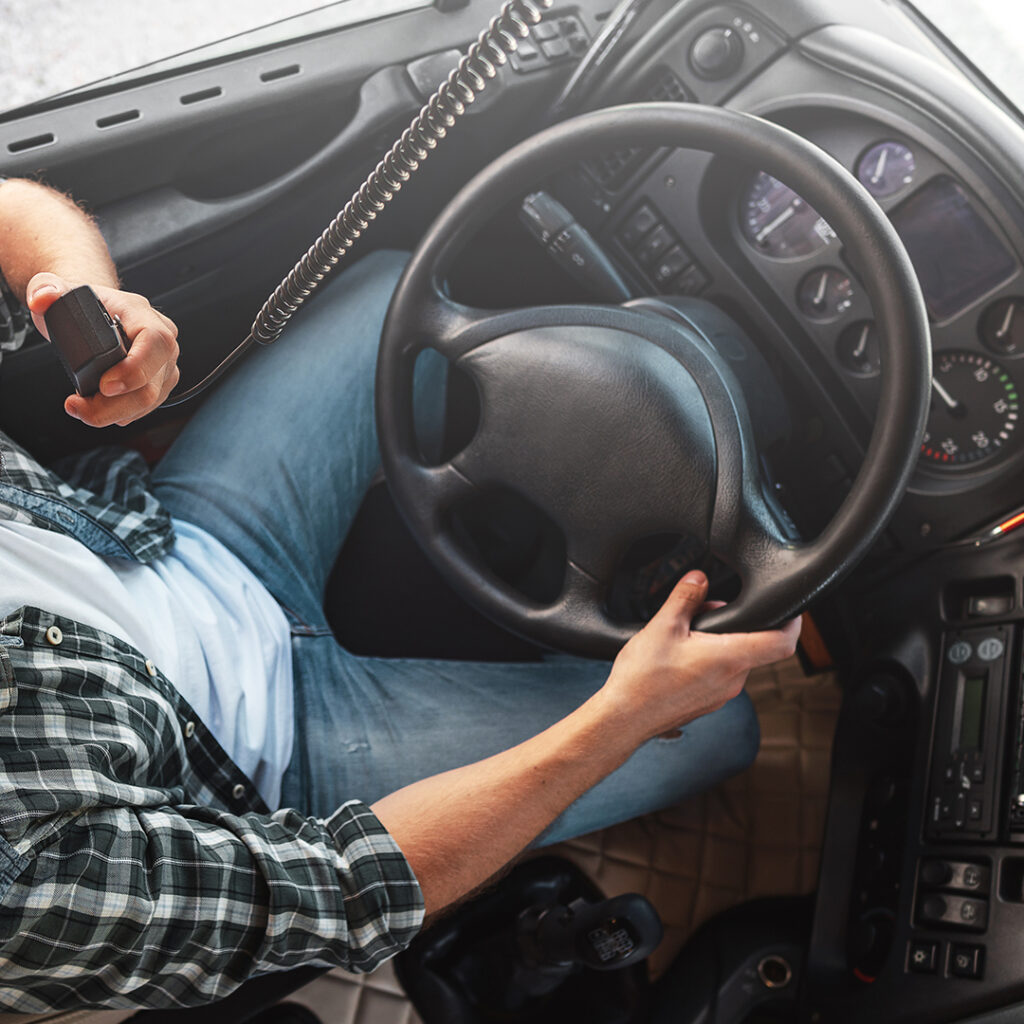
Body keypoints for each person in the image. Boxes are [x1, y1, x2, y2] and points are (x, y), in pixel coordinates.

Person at [0, 177, 801, 1012]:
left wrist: (86, 295)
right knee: (718, 722)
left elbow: (9, 211)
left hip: (166, 540)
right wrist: (629, 714)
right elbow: (351, 889)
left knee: (395, 295)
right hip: (273, 751)